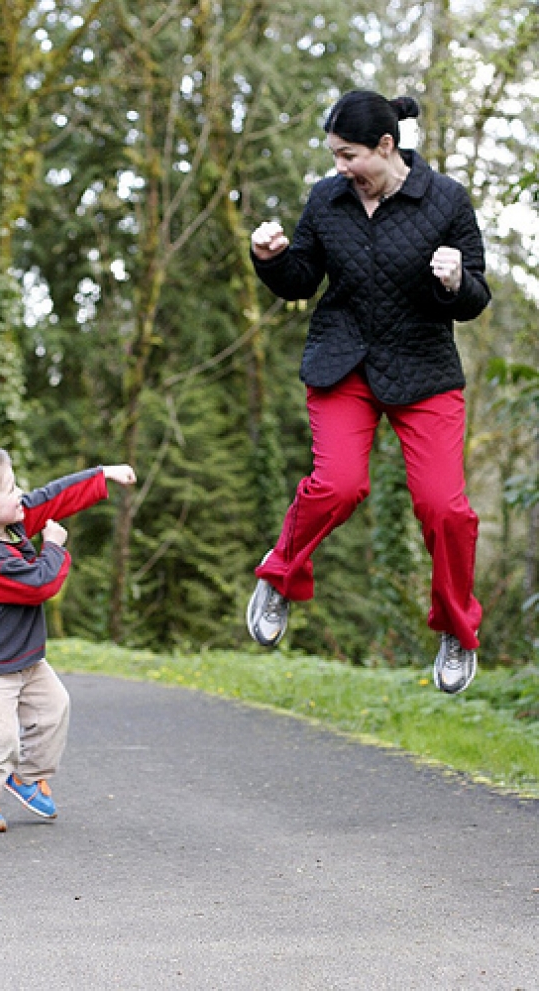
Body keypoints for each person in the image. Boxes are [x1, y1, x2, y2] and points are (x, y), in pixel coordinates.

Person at [246, 90, 490, 695]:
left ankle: (456, 629)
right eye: (333, 155)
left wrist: (456, 281)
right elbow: (302, 276)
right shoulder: (328, 200)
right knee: (339, 486)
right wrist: (270, 258)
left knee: (445, 508)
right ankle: (278, 578)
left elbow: (477, 296)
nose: (340, 169)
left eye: (349, 155)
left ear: (386, 146)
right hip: (343, 360)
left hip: (423, 368)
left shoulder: (446, 200)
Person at [0, 447, 136, 832]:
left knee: (54, 709)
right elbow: (40, 584)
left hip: (22, 657)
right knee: (1, 739)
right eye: (11, 489)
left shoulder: (9, 522)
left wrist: (103, 474)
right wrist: (55, 547)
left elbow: (51, 497)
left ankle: (27, 777)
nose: (20, 494)